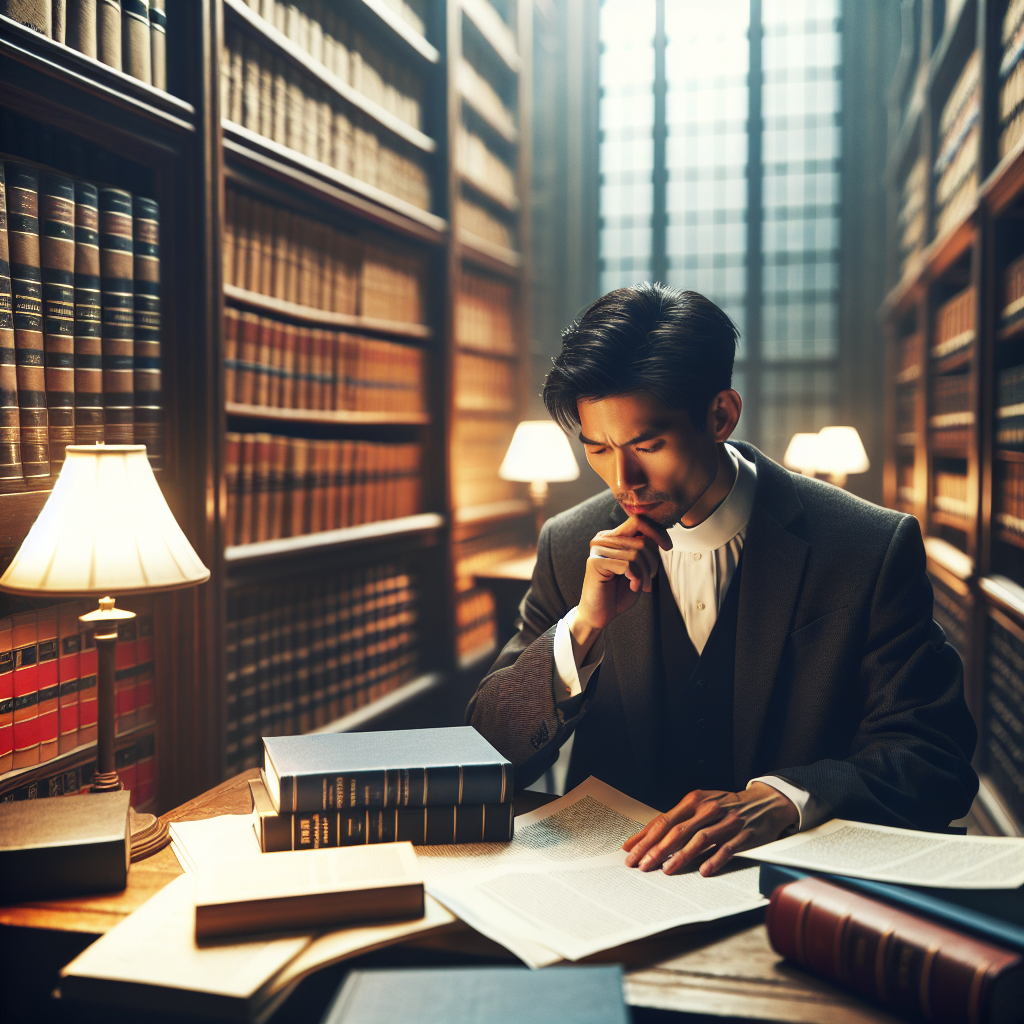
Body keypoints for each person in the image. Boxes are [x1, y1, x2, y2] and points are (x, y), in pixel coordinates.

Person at [466, 283, 978, 878]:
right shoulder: (568, 542)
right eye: (599, 449)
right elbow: (484, 756)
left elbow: (934, 758)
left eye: (648, 444)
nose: (623, 479)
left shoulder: (869, 546)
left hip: (788, 894)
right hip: (611, 892)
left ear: (721, 415)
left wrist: (785, 800)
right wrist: (581, 631)